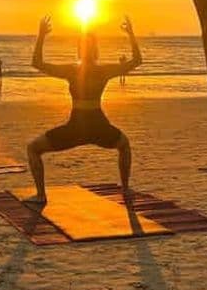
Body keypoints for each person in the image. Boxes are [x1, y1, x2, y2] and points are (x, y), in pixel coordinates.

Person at [26, 15, 142, 203]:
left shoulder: (74, 70)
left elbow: (37, 63)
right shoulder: (101, 70)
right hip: (96, 126)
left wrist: (41, 36)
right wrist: (131, 34)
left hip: (79, 128)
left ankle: (40, 195)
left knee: (33, 149)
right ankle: (126, 188)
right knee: (124, 145)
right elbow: (137, 61)